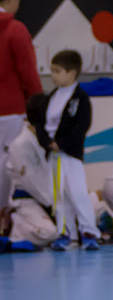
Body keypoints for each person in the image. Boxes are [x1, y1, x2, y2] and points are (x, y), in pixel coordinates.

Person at [33, 50, 99, 251]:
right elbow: (40, 123)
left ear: (71, 73)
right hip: (53, 155)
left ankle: (89, 232)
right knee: (59, 196)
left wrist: (61, 143)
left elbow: (81, 126)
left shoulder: (81, 98)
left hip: (70, 154)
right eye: (52, 71)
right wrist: (47, 143)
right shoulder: (51, 96)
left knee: (78, 193)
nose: (53, 76)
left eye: (57, 71)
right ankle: (65, 233)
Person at [0, 0, 42, 212]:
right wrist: (38, 109)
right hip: (11, 111)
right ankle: (5, 216)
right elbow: (28, 74)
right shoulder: (15, 30)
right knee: (8, 164)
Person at [1, 92, 56, 250]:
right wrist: (53, 207)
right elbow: (33, 183)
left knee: (86, 215)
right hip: (28, 201)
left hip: (49, 197)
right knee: (49, 233)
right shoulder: (20, 144)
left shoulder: (46, 139)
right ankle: (15, 227)